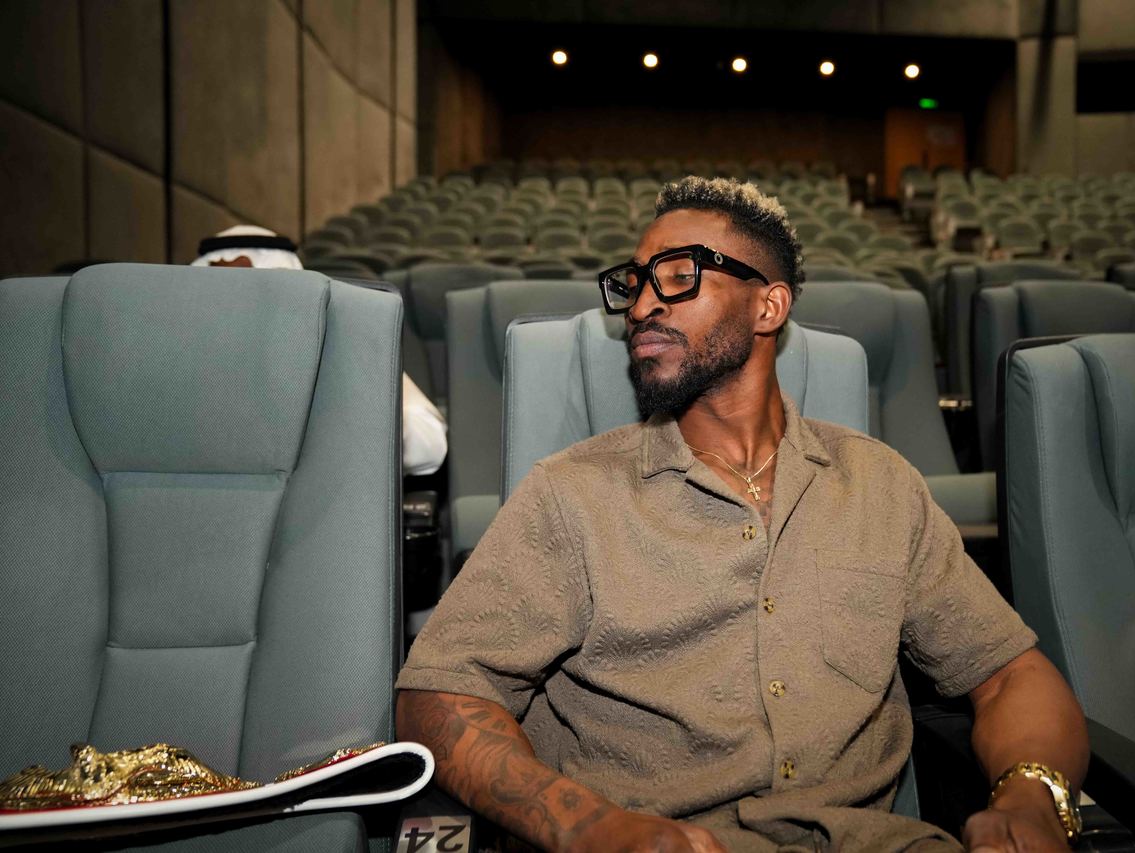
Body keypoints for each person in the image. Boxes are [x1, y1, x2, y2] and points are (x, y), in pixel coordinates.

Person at [395, 178, 1087, 852]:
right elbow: (437, 696)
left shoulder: (881, 486)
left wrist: (1031, 798)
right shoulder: (573, 494)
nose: (641, 307)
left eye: (677, 276)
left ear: (768, 307)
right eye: (634, 284)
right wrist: (586, 825)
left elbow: (1010, 674)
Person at [193, 225, 447, 476]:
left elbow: (429, 444)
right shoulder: (189, 358)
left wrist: (355, 417)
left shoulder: (340, 345)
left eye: (246, 285)